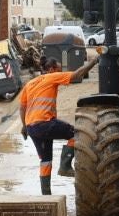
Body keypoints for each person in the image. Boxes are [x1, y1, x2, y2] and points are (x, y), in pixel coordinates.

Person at [18, 52, 100, 195]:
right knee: (77, 133)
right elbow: (76, 75)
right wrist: (93, 62)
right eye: (59, 69)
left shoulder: (30, 83)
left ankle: (46, 195)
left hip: (32, 128)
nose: (60, 73)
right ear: (51, 69)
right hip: (45, 124)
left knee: (45, 160)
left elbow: (22, 107)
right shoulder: (51, 77)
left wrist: (24, 126)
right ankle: (65, 165)